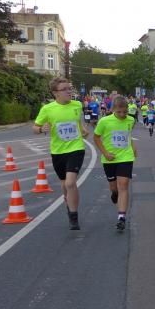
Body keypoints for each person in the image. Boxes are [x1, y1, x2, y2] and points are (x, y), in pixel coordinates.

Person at [33, 78, 88, 230]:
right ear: (55, 93)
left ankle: (74, 216)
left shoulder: (77, 105)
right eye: (65, 89)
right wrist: (41, 129)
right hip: (58, 151)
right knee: (64, 184)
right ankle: (69, 205)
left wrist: (83, 129)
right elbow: (35, 127)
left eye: (70, 88)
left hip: (76, 148)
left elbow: (78, 122)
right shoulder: (47, 109)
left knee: (70, 183)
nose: (69, 91)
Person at [92, 96, 137, 231]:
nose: (122, 115)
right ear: (113, 110)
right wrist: (105, 153)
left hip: (125, 157)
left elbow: (128, 135)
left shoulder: (131, 120)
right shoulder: (104, 121)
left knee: (124, 184)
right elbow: (96, 137)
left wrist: (133, 147)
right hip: (109, 159)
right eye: (119, 112)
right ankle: (114, 192)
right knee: (114, 187)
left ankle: (121, 217)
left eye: (125, 112)